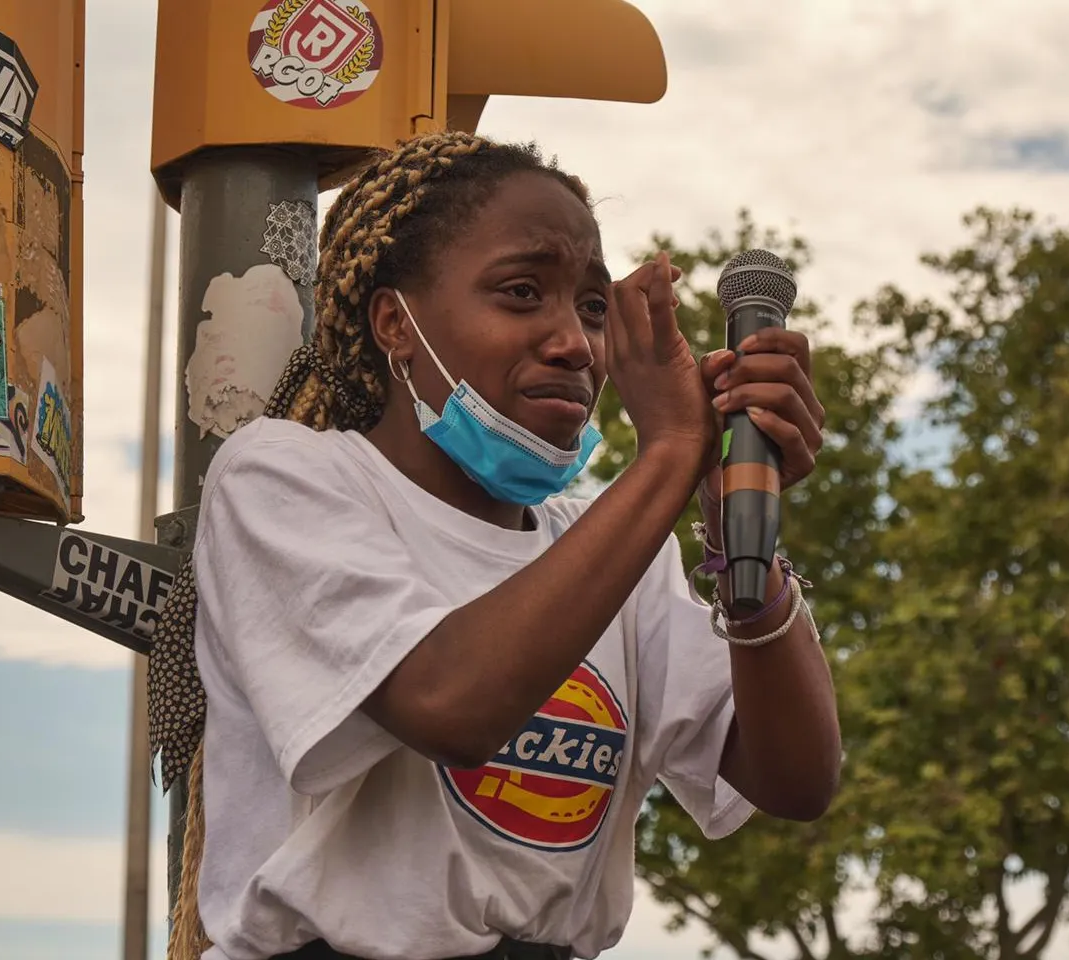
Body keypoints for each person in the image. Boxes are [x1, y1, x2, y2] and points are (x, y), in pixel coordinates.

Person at [147, 130, 843, 960]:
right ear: (395, 325)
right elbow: (450, 704)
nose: (575, 344)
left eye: (592, 308)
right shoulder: (283, 478)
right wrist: (666, 458)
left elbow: (795, 778)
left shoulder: (605, 540)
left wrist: (740, 545)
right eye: (521, 293)